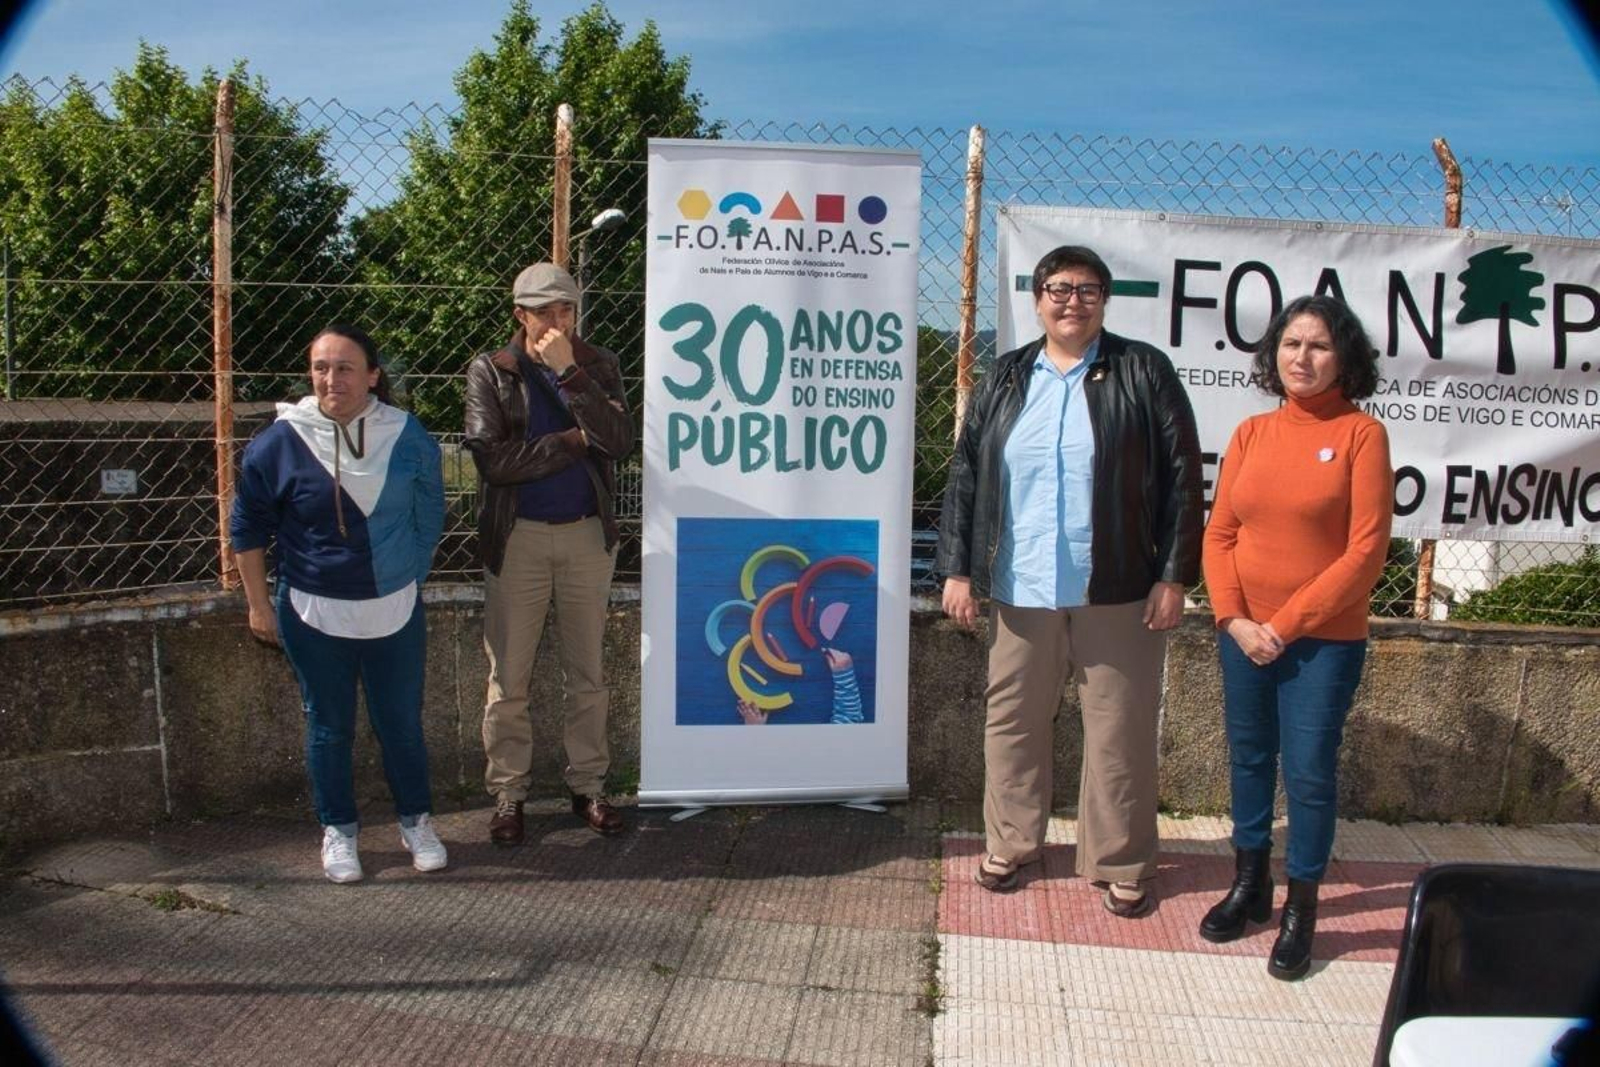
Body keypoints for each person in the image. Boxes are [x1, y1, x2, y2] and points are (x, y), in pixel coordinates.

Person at [936, 245, 1204, 916]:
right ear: (1037, 298)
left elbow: (1182, 478)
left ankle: (1120, 858)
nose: (1071, 301)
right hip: (1020, 583)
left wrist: (1174, 574)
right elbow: (967, 475)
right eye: (1058, 288)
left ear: (1105, 300)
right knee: (1014, 721)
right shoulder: (1006, 375)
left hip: (1116, 585)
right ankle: (1012, 842)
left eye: (1086, 290)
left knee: (1120, 725)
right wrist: (958, 568)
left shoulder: (1143, 370)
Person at [1200, 294, 1393, 981]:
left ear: (1345, 359)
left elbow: (1365, 553)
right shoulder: (1251, 433)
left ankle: (1301, 908)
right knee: (1250, 758)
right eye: (1290, 344)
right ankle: (1249, 886)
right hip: (1243, 633)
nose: (1301, 357)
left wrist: (1281, 626)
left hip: (1321, 643)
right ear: (1271, 354)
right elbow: (1220, 533)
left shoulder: (1361, 435)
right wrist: (1234, 618)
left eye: (1318, 346)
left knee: (1308, 772)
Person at [231, 324, 447, 885]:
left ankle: (416, 821)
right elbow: (247, 528)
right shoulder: (280, 441)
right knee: (329, 727)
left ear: (373, 375)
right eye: (321, 367)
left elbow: (429, 516)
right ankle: (339, 830)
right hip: (311, 612)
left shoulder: (407, 434)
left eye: (346, 367)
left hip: (394, 611)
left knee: (400, 723)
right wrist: (258, 606)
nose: (332, 379)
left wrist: (409, 575)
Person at [464, 262, 635, 845]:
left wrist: (570, 376)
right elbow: (493, 462)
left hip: (588, 536)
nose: (555, 322)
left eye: (564, 310)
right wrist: (569, 441)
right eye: (542, 312)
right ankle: (509, 794)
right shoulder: (492, 370)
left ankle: (588, 786)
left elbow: (618, 443)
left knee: (586, 674)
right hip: (519, 538)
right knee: (508, 678)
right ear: (520, 314)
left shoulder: (596, 366)